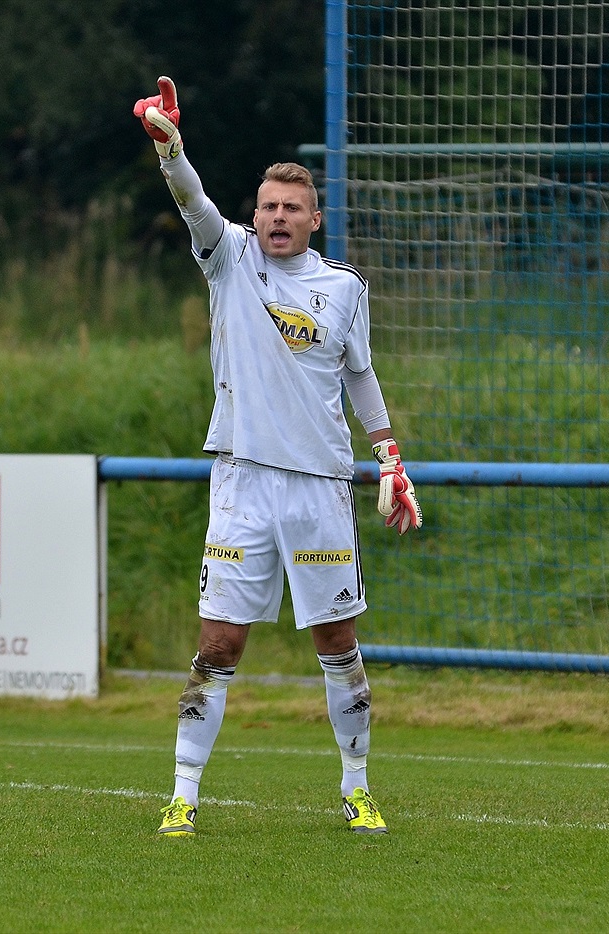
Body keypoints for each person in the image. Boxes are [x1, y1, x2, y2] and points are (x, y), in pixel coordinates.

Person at [133, 77, 423, 837]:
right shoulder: (227, 257)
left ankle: (357, 789)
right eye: (268, 207)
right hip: (242, 481)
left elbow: (359, 374)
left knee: (338, 643)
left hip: (322, 487)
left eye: (292, 208)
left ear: (314, 218)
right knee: (218, 644)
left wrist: (391, 458)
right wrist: (172, 150)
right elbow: (194, 202)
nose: (277, 218)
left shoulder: (343, 289)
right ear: (254, 216)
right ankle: (183, 797)